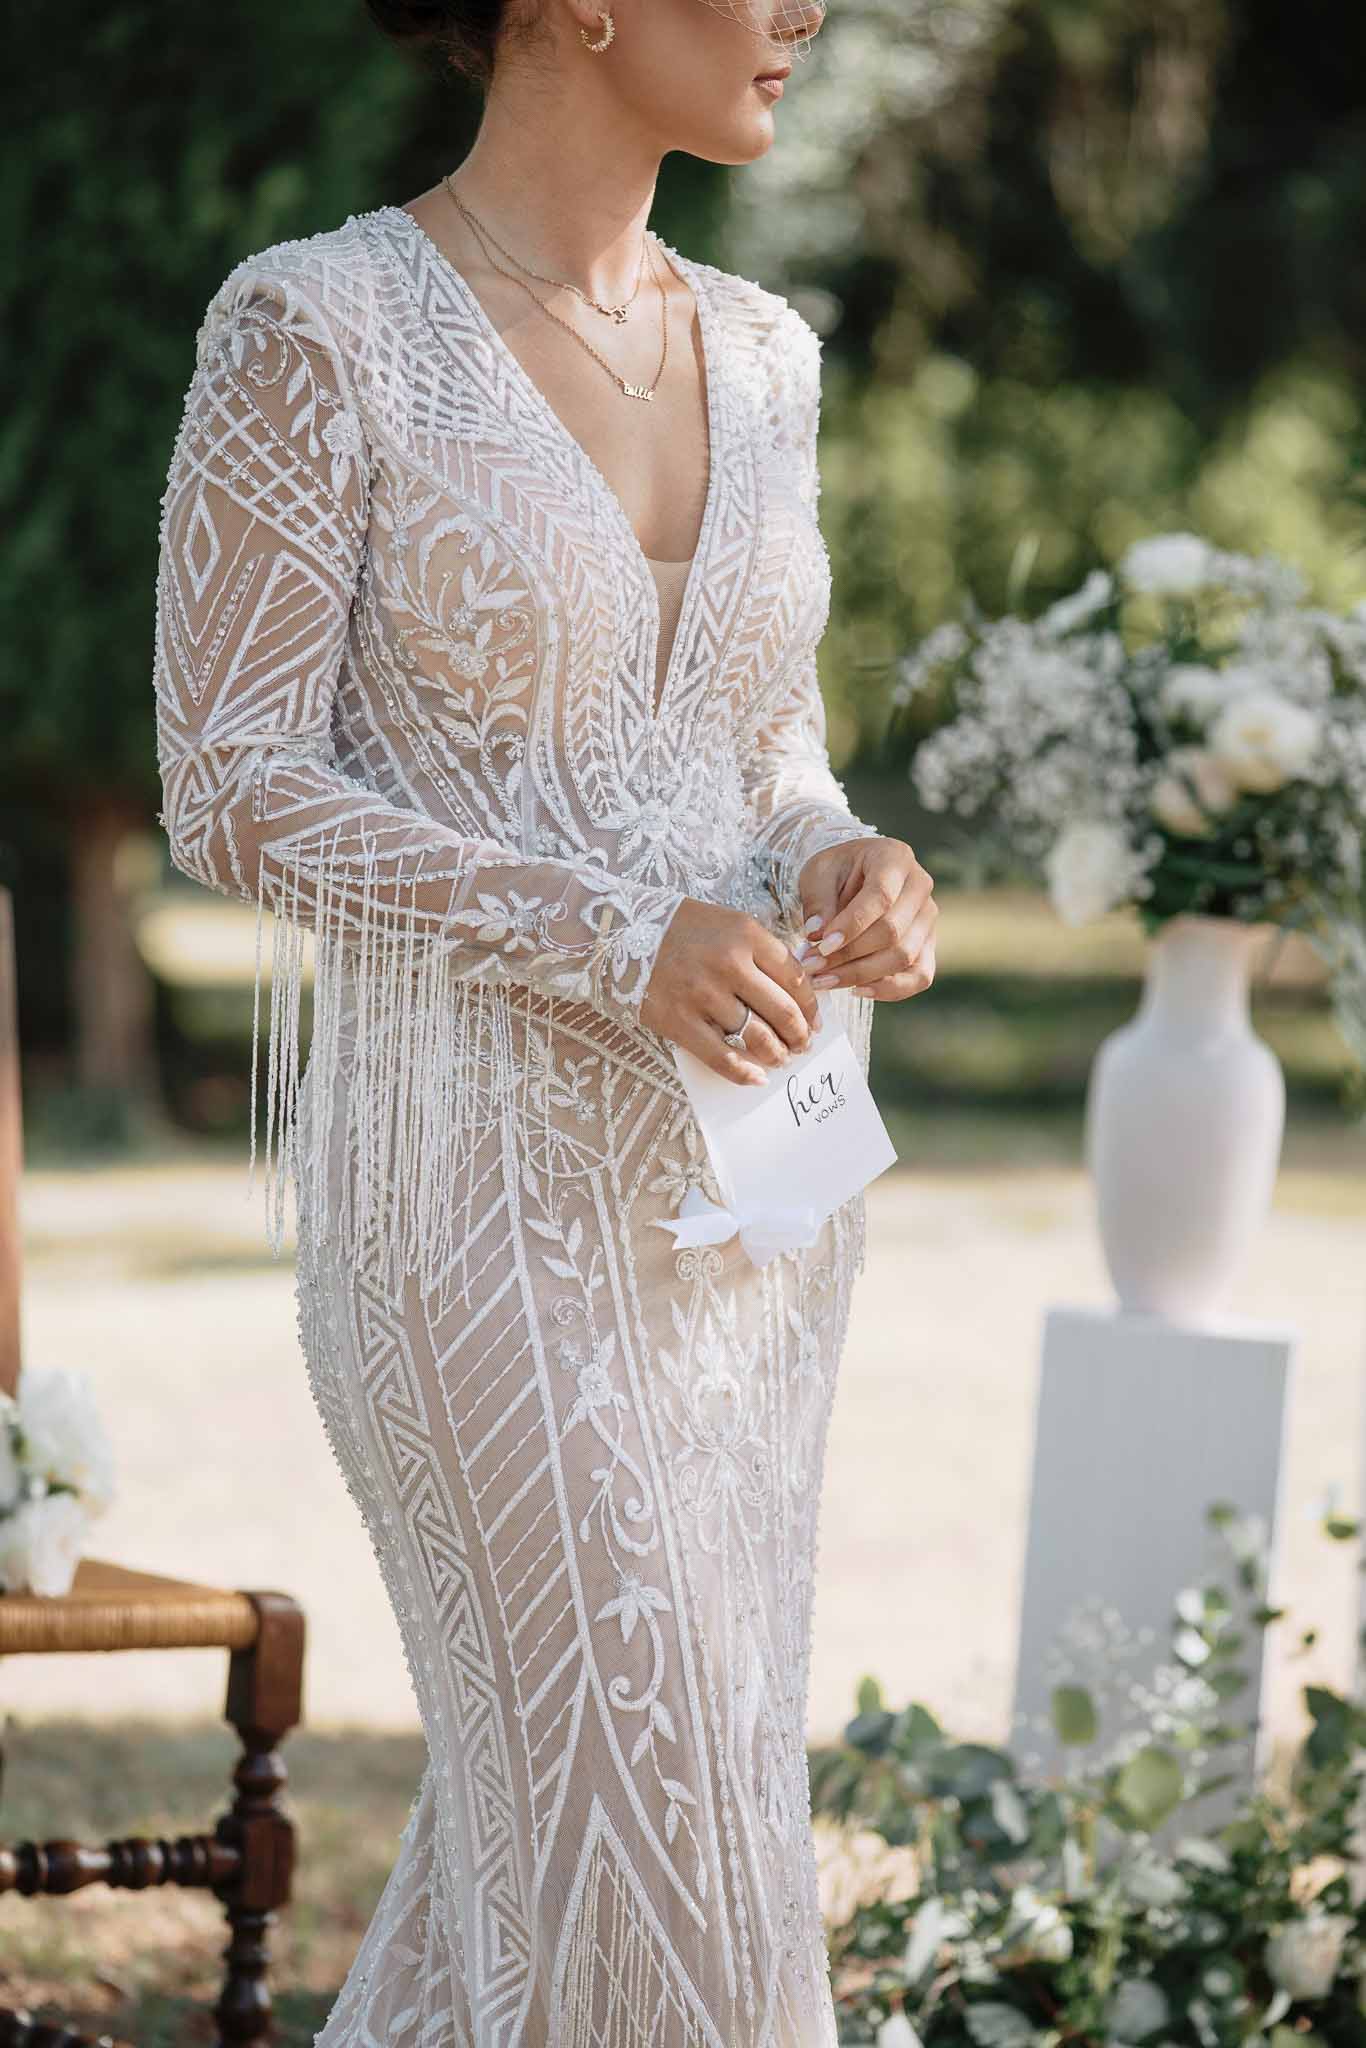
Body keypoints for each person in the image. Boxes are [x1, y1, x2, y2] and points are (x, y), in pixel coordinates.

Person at [152, 0, 938, 2038]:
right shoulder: (313, 326)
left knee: (589, 1839)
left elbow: (758, 741)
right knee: (654, 1826)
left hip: (749, 1208)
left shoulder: (766, 354)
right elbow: (228, 774)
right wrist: (606, 932)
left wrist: (849, 852)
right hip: (467, 1195)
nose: (803, 11)